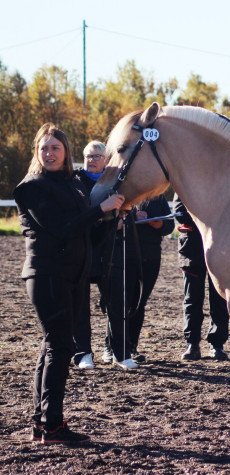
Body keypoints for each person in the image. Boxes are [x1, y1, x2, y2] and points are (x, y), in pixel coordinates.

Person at [13, 123, 124, 444]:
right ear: (37, 152)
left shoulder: (73, 187)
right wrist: (99, 210)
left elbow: (87, 234)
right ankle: (52, 424)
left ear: (66, 154)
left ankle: (43, 423)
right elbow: (61, 228)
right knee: (60, 346)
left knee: (54, 346)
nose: (49, 153)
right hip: (47, 275)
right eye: (44, 148)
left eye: (55, 148)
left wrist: (111, 219)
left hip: (72, 277)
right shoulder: (30, 188)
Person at [101, 196, 174, 368]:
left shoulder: (158, 199)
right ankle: (111, 347)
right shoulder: (123, 195)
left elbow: (169, 226)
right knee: (119, 303)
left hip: (150, 257)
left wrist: (158, 225)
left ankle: (131, 346)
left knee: (139, 303)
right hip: (124, 256)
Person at [174, 194, 230, 361]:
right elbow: (179, 212)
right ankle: (192, 344)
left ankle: (217, 344)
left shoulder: (222, 181)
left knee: (219, 298)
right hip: (191, 250)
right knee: (192, 299)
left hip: (219, 249)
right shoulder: (186, 180)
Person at [71, 141, 109, 370]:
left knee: (113, 303)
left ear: (106, 159)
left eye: (96, 156)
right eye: (88, 156)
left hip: (108, 249)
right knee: (80, 305)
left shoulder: (115, 181)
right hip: (82, 248)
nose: (91, 160)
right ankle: (83, 351)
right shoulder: (74, 181)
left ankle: (113, 347)